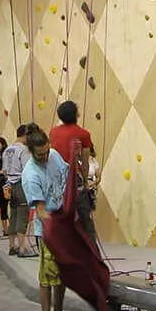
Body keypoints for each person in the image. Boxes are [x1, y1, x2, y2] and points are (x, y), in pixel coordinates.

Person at [22, 128, 117, 311]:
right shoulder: (30, 175)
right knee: (47, 277)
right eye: (40, 155)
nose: (45, 157)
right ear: (31, 152)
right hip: (48, 230)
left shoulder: (54, 156)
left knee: (64, 273)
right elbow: (41, 212)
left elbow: (68, 177)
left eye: (47, 151)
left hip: (65, 224)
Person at [49, 101, 101, 245]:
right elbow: (85, 161)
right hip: (73, 178)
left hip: (56, 179)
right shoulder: (83, 134)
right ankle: (92, 251)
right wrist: (85, 181)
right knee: (85, 217)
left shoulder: (53, 132)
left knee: (61, 216)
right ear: (76, 114)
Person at [4, 127, 36, 255]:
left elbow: (4, 171)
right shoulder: (24, 150)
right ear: (25, 135)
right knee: (23, 214)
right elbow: (27, 169)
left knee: (13, 214)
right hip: (20, 184)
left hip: (9, 185)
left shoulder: (7, 150)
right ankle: (23, 247)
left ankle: (12, 246)